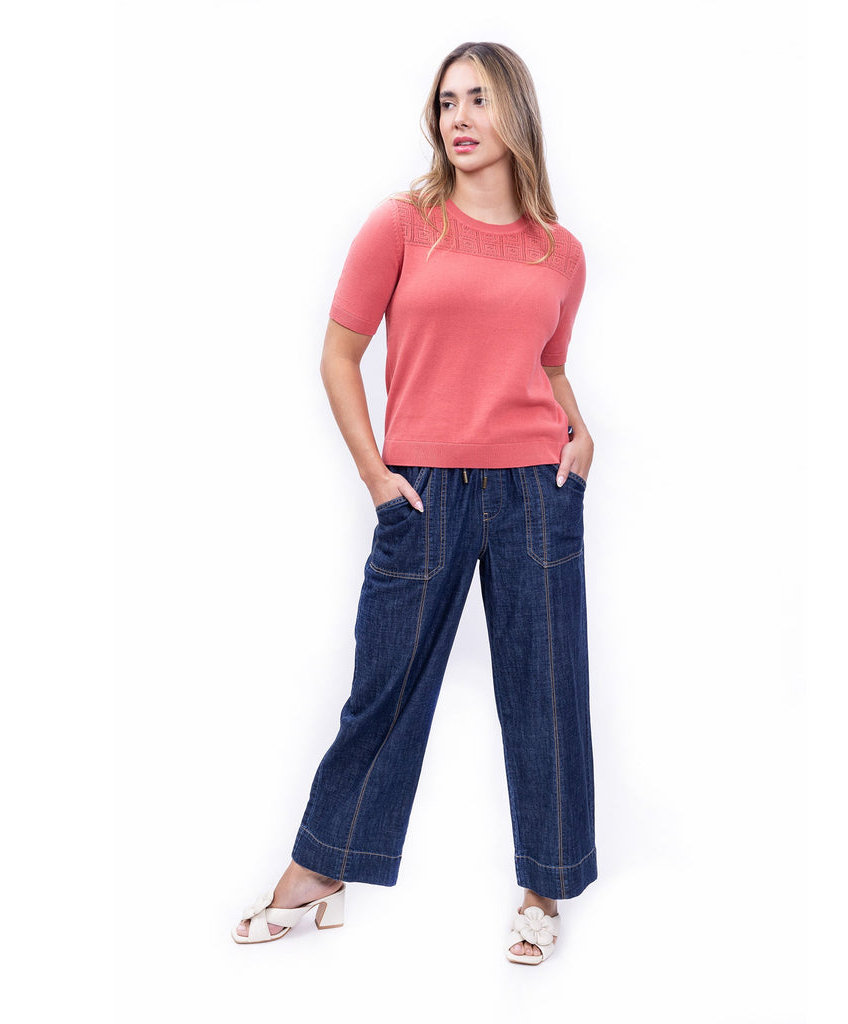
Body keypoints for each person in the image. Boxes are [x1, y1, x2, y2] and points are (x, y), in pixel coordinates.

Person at [232, 41, 596, 966]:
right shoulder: (402, 224)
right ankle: (320, 869)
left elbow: (549, 366)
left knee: (547, 693)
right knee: (384, 687)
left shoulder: (560, 251)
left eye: (478, 99)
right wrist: (375, 474)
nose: (459, 119)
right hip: (423, 493)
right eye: (446, 102)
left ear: (516, 112)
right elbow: (339, 354)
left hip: (536, 489)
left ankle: (545, 884)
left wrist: (581, 433)